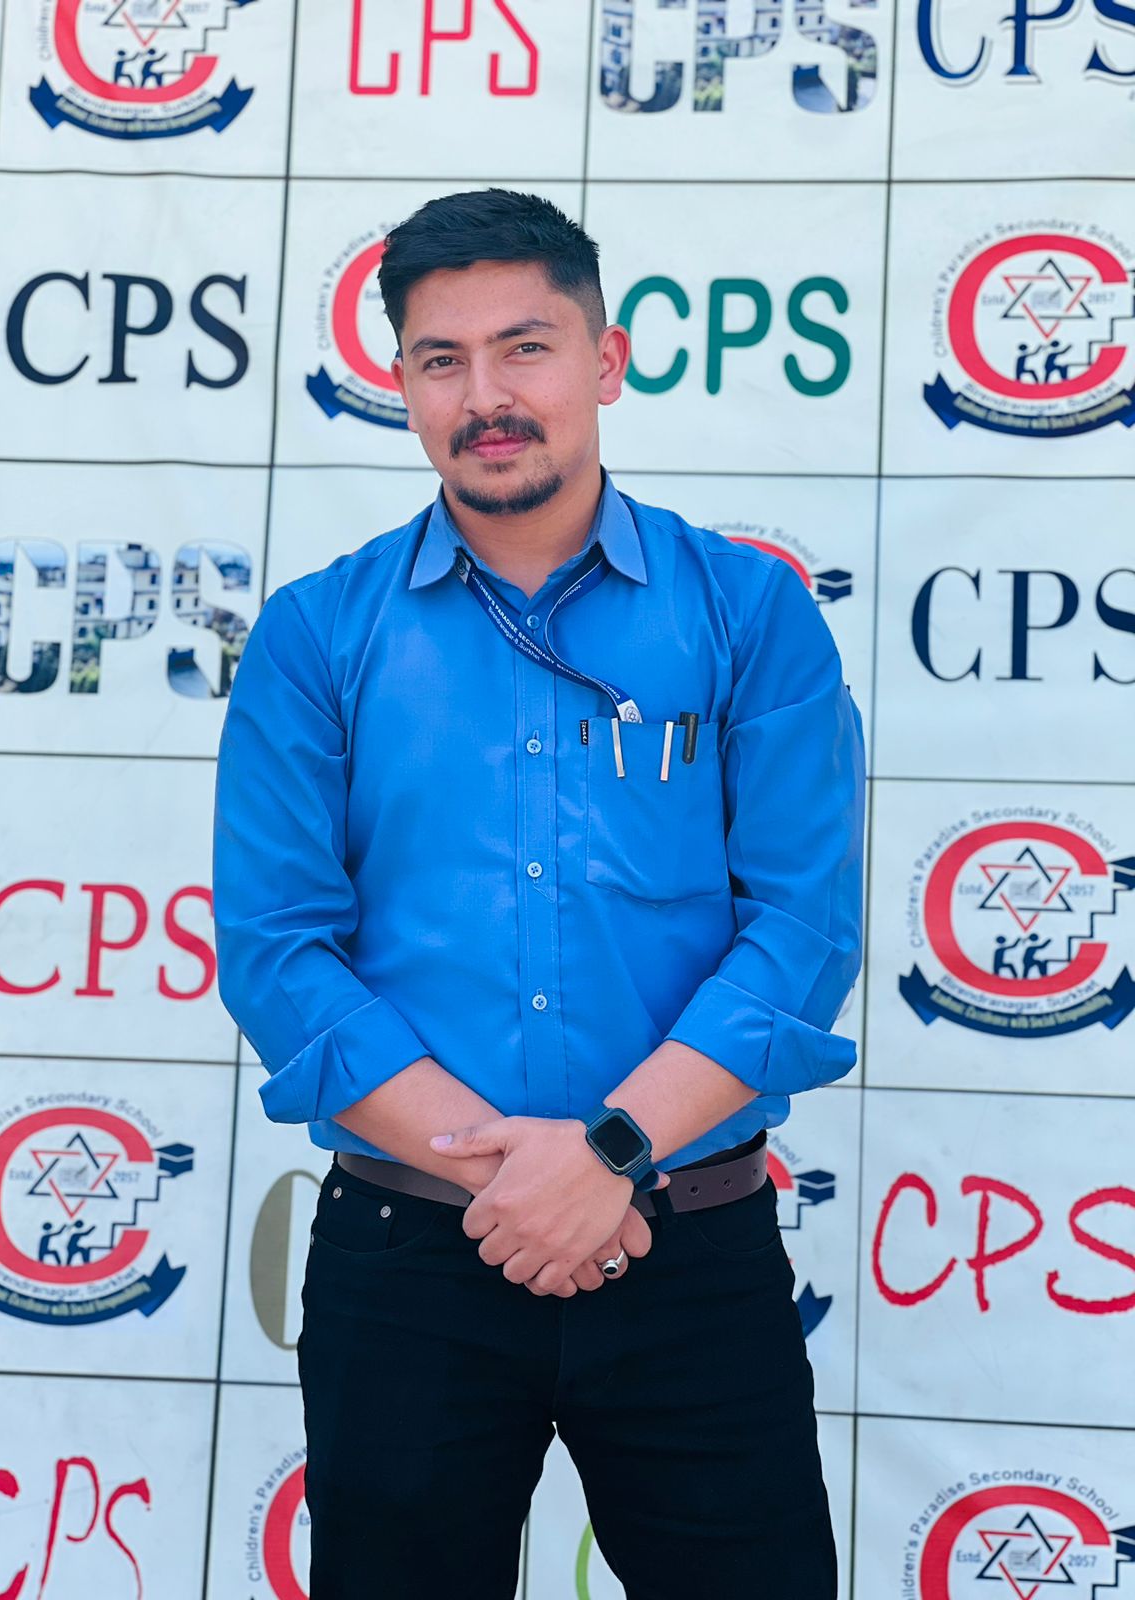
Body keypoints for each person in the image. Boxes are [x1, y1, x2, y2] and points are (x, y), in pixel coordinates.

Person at [213, 187, 865, 1600]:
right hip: (409, 1263)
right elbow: (277, 952)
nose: (486, 395)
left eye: (527, 347)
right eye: (441, 359)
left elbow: (802, 929)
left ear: (609, 360)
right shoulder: (318, 633)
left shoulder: (749, 613)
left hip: (693, 1251)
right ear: (399, 382)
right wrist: (519, 1182)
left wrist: (611, 1153)